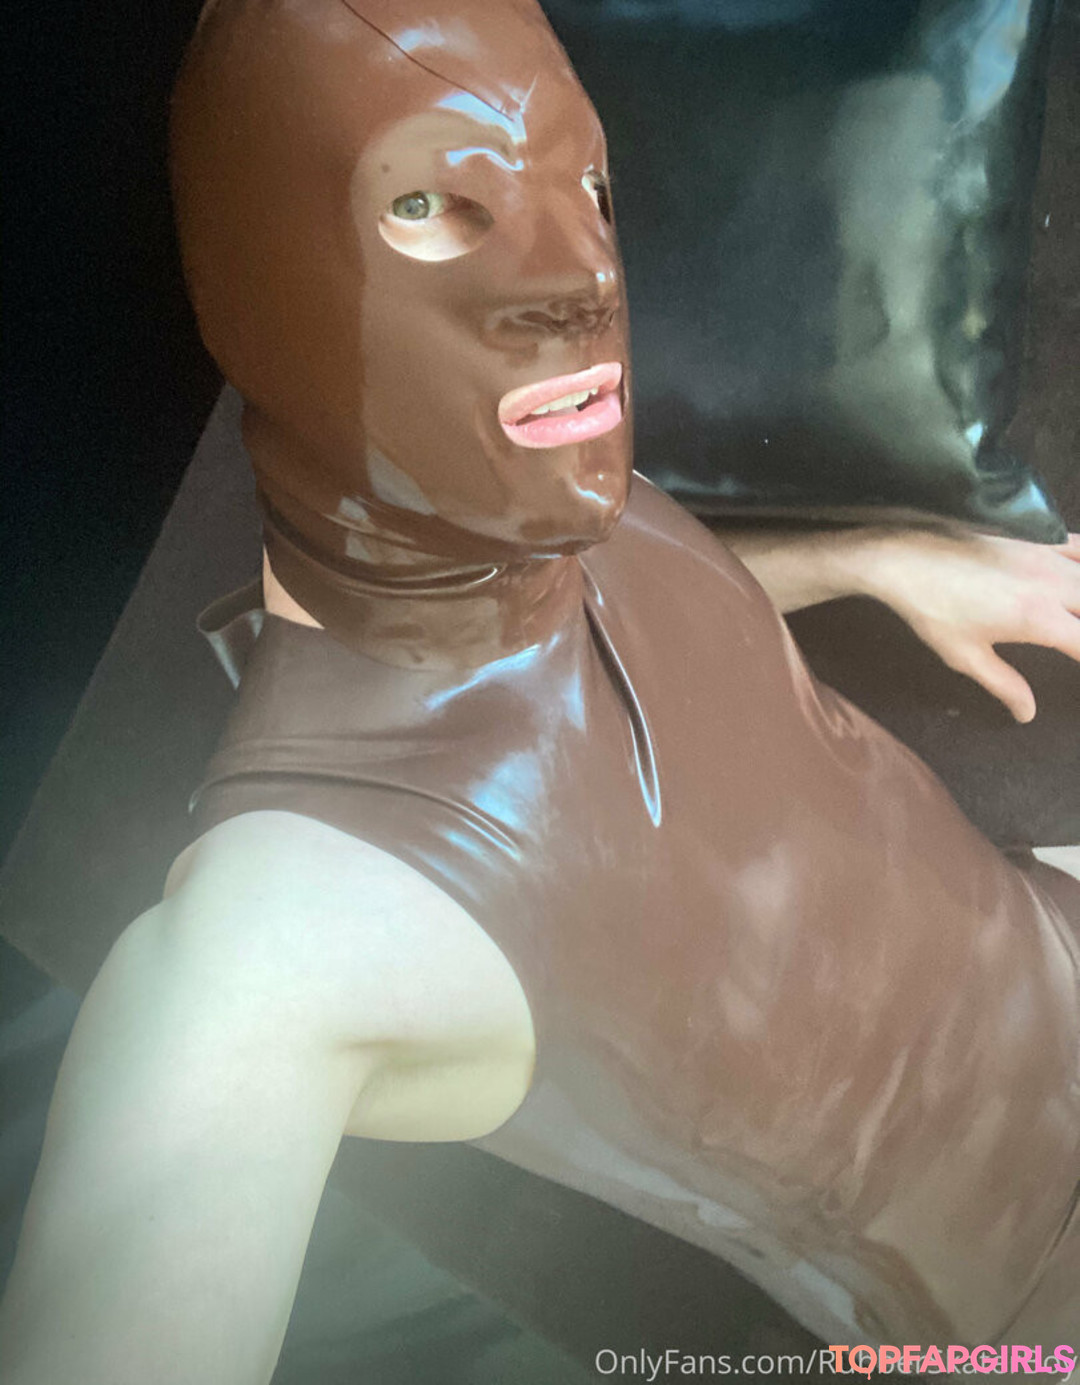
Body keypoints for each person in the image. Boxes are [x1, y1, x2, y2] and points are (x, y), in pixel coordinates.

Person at [1, 0, 1078, 1379]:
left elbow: (631, 586)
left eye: (588, 188)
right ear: (256, 287)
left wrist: (873, 558)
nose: (582, 274)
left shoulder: (528, 506)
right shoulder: (279, 935)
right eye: (432, 205)